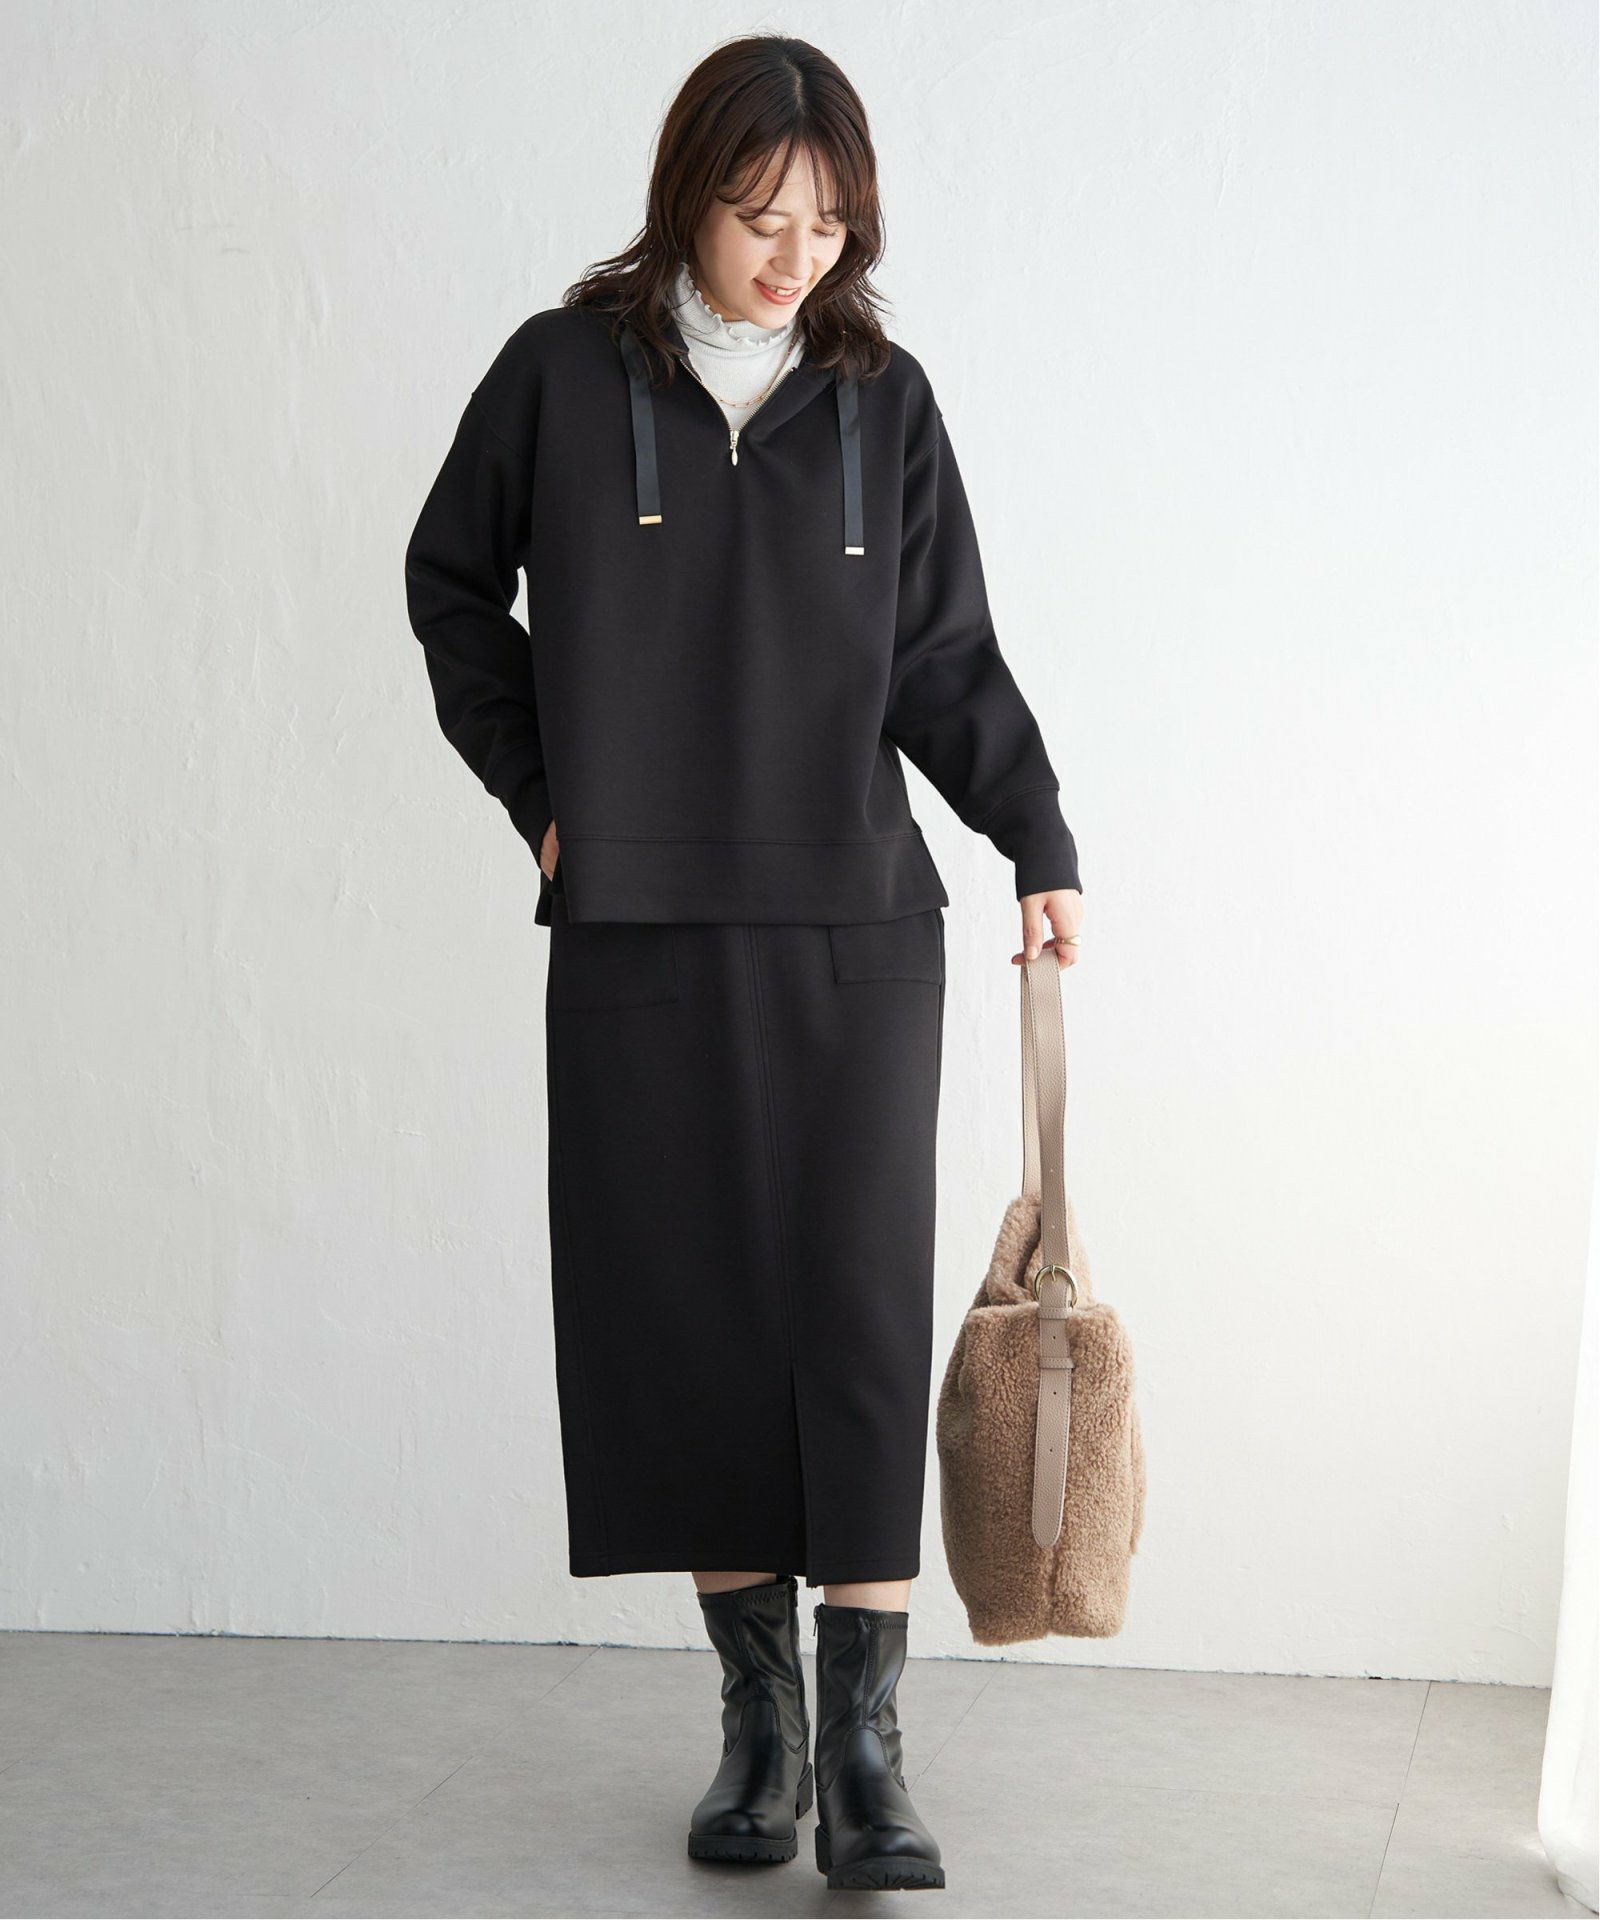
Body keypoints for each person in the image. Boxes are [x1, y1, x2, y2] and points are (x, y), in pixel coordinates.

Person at [403, 32, 1083, 1894]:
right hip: (638, 924)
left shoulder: (883, 400)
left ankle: (867, 1752)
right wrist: (546, 801)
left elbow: (943, 655)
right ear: (685, 197)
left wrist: (1035, 837)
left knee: (853, 1313)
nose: (796, 256)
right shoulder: (559, 376)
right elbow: (450, 586)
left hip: (859, 922)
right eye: (760, 215)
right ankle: (761, 1729)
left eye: (828, 222)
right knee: (692, 1309)